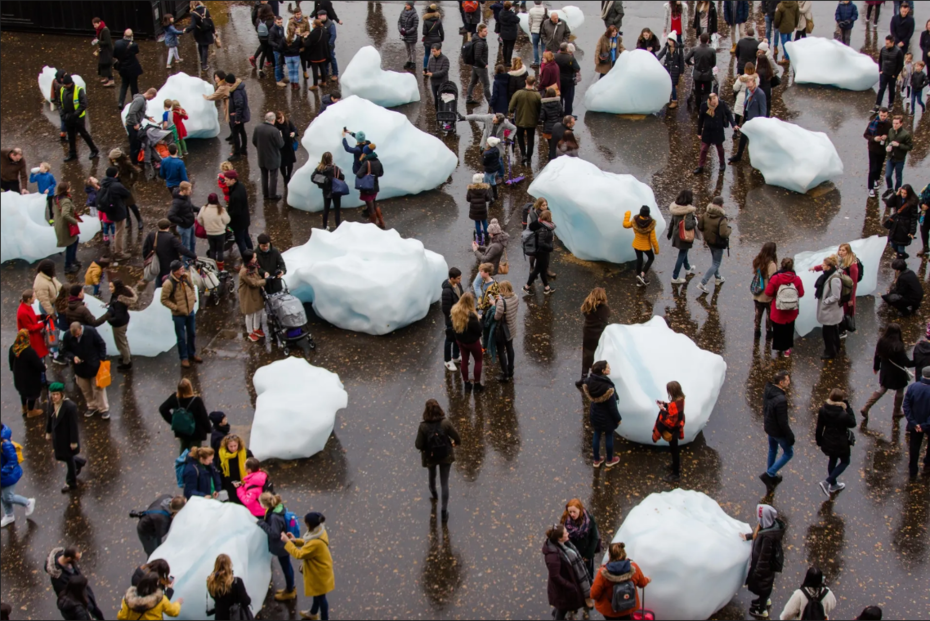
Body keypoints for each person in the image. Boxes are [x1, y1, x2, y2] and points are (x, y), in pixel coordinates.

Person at [281, 512, 335, 620]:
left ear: (309, 524)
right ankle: (313, 612)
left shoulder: (316, 543)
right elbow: (307, 542)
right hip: (320, 571)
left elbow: (299, 554)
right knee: (318, 594)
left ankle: (324, 618)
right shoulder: (319, 531)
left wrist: (287, 542)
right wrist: (295, 541)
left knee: (321, 598)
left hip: (319, 574)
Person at [415, 399, 461, 522]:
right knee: (444, 482)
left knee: (432, 474)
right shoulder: (445, 423)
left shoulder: (423, 426)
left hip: (430, 456)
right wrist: (455, 443)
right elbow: (457, 437)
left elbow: (418, 445)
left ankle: (434, 492)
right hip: (445, 455)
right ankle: (444, 511)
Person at [862, 323, 916, 422]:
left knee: (882, 389)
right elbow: (906, 363)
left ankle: (866, 407)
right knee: (900, 391)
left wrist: (876, 367)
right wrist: (917, 362)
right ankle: (897, 411)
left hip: (886, 371)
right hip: (898, 373)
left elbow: (877, 355)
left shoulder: (881, 342)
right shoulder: (899, 346)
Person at [742, 505, 786, 619]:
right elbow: (757, 535)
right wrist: (748, 537)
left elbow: (764, 557)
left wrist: (758, 572)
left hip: (764, 569)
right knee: (765, 586)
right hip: (766, 568)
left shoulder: (768, 538)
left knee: (763, 586)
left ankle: (761, 610)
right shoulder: (768, 527)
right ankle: (764, 600)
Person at [813, 388, 858, 498]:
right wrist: (849, 408)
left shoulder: (823, 409)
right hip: (841, 443)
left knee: (832, 460)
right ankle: (827, 482)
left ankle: (834, 485)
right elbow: (853, 423)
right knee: (845, 461)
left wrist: (819, 441)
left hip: (827, 440)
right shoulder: (843, 414)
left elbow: (819, 427)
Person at [590, 542, 651, 620]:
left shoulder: (603, 572)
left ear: (609, 555)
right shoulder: (634, 567)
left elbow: (594, 594)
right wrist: (648, 579)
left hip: (610, 611)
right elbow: (642, 583)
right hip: (628, 608)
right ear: (624, 554)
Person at [61, 322, 109, 420]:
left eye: (78, 334)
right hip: (80, 368)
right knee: (85, 389)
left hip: (94, 365)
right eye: (74, 335)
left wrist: (101, 359)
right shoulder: (67, 336)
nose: (76, 336)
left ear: (80, 329)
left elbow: (101, 344)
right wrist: (73, 357)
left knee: (98, 388)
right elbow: (65, 350)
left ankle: (103, 409)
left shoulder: (91, 331)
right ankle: (92, 406)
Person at [542, 524, 590, 621]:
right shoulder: (553, 556)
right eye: (565, 533)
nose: (568, 533)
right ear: (560, 538)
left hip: (568, 584)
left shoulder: (565, 545)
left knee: (561, 607)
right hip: (563, 590)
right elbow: (555, 576)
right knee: (562, 608)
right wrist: (570, 586)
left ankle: (555, 613)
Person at [45, 384, 87, 492]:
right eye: (53, 394)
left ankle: (71, 482)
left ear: (61, 394)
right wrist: (48, 432)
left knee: (68, 459)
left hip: (67, 438)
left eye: (56, 394)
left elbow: (73, 425)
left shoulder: (70, 407)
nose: (54, 397)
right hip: (58, 437)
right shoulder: (51, 404)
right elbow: (49, 419)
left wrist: (73, 441)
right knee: (62, 456)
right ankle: (79, 461)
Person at [256, 493, 298, 602]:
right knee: (287, 565)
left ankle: (290, 591)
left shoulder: (274, 517)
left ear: (265, 504)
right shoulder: (278, 508)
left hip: (282, 546)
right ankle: (290, 587)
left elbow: (275, 534)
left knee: (286, 567)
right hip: (284, 545)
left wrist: (262, 524)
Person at [160, 262, 200, 368]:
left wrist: (193, 297)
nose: (183, 269)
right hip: (179, 315)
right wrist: (176, 307)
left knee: (192, 334)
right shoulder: (169, 283)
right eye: (181, 268)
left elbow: (192, 287)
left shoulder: (186, 277)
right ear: (175, 271)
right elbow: (164, 299)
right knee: (181, 337)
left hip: (190, 311)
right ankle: (184, 358)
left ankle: (192, 353)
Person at [584, 361, 622, 469]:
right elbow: (612, 407)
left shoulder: (589, 382)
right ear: (603, 371)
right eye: (608, 367)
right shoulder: (608, 387)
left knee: (597, 435)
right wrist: (618, 419)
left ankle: (596, 460)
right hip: (607, 417)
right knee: (609, 436)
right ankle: (610, 460)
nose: (610, 369)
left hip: (595, 414)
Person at [160, 378, 211, 454]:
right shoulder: (196, 400)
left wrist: (173, 421)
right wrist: (209, 429)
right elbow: (203, 417)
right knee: (195, 454)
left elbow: (162, 409)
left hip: (182, 431)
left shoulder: (175, 398)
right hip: (195, 432)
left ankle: (181, 464)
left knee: (183, 450)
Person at [761, 371, 793, 487]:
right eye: (787, 380)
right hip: (777, 431)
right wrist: (790, 436)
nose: (789, 382)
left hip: (770, 427)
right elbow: (783, 422)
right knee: (789, 453)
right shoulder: (781, 400)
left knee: (772, 449)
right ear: (781, 382)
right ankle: (769, 474)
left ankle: (771, 476)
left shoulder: (768, 390)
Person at [142, 220, 197, 287]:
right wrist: (193, 256)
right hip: (169, 265)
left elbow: (145, 249)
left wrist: (147, 259)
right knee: (169, 282)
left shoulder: (152, 235)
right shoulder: (171, 238)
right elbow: (182, 250)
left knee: (159, 280)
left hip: (156, 263)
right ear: (168, 227)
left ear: (158, 226)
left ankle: (158, 294)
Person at [1, 423, 36, 528]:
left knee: (8, 497)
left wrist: (3, 472)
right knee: (3, 496)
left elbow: (12, 460)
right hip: (3, 475)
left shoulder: (5, 444)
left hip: (8, 475)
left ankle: (27, 502)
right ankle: (9, 515)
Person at [696, 197, 731, 293]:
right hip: (718, 244)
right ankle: (702, 283)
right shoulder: (722, 218)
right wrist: (729, 229)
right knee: (716, 263)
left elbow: (700, 226)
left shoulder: (706, 214)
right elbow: (724, 233)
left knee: (715, 261)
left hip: (709, 241)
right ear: (721, 205)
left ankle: (718, 278)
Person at [653, 381, 686, 482]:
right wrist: (665, 405)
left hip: (672, 431)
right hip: (677, 430)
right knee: (674, 450)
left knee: (674, 451)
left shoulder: (674, 405)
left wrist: (662, 409)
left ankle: (676, 474)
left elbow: (670, 420)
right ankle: (675, 467)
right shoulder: (681, 400)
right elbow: (673, 410)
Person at [8, 330, 46, 418]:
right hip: (30, 379)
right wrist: (44, 368)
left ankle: (24, 407)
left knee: (23, 393)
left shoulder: (13, 348)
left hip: (18, 377)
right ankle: (31, 411)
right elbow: (38, 365)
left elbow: (11, 362)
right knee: (32, 394)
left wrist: (13, 370)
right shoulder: (29, 351)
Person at [561, 499, 600, 583]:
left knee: (587, 579)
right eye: (570, 512)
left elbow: (594, 537)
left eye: (574, 512)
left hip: (586, 557)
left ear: (580, 509)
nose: (572, 514)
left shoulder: (589, 519)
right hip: (573, 558)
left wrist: (588, 555)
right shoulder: (566, 521)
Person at [730, 76, 768, 162]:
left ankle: (758, 160)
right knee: (743, 138)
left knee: (754, 141)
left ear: (755, 83)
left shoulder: (760, 94)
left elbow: (763, 111)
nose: (750, 89)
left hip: (755, 122)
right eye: (748, 86)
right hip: (747, 118)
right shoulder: (748, 91)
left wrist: (761, 123)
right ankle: (738, 156)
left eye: (751, 87)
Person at [694, 92, 733, 175]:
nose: (715, 103)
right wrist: (699, 132)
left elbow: (728, 113)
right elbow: (701, 119)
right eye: (713, 101)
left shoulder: (721, 104)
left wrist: (734, 124)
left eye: (716, 100)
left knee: (720, 148)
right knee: (704, 149)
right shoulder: (704, 106)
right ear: (709, 100)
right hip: (708, 131)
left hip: (718, 130)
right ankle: (700, 166)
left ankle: (722, 163)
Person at [815, 255, 844, 360]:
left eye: (824, 265)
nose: (822, 266)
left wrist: (825, 301)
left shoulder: (834, 279)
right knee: (833, 330)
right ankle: (836, 347)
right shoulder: (830, 275)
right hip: (830, 311)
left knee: (828, 333)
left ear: (829, 266)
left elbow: (836, 296)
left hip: (830, 311)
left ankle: (830, 352)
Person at [206, 554, 252, 620]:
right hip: (235, 617)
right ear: (229, 566)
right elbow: (246, 601)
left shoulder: (211, 583)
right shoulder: (236, 582)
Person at [108, 148, 144, 231]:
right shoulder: (113, 164)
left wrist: (131, 182)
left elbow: (135, 172)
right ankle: (128, 220)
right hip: (118, 186)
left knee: (132, 205)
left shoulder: (126, 163)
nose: (111, 160)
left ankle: (139, 220)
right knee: (124, 205)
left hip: (126, 187)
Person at [623, 206, 660, 286]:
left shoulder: (635, 221)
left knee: (639, 260)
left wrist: (627, 215)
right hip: (646, 246)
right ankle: (642, 274)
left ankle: (639, 281)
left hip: (636, 244)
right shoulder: (651, 224)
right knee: (651, 258)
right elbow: (653, 239)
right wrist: (656, 249)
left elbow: (625, 225)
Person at [509, 76, 541, 167]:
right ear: (534, 83)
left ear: (525, 81)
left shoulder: (518, 93)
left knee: (520, 137)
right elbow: (540, 109)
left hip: (520, 120)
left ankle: (523, 154)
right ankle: (529, 158)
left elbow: (511, 108)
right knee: (530, 139)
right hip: (532, 121)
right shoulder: (537, 95)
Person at [667, 190, 697, 285]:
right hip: (684, 235)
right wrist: (695, 222)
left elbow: (672, 222)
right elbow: (688, 225)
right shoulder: (688, 211)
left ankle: (688, 268)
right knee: (682, 253)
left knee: (684, 251)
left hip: (676, 234)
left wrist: (669, 233)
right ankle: (675, 277)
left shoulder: (675, 208)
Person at [904, 366, 930, 478]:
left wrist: (914, 423)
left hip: (915, 425)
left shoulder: (912, 387)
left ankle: (913, 471)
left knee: (914, 447)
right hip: (928, 425)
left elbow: (906, 406)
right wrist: (924, 425)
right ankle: (928, 465)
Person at [524, 210, 556, 294]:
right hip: (542, 252)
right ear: (548, 218)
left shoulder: (545, 226)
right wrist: (550, 247)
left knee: (542, 270)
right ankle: (526, 287)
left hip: (543, 252)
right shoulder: (544, 229)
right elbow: (541, 243)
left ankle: (547, 287)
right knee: (537, 270)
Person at [52, 182, 81, 274]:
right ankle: (68, 266)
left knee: (75, 240)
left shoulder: (57, 198)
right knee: (70, 244)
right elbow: (65, 214)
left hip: (60, 225)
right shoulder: (65, 201)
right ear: (66, 190)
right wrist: (74, 221)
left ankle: (73, 259)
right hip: (65, 227)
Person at [238, 251, 267, 342]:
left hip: (255, 293)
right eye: (254, 258)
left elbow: (257, 277)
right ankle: (250, 332)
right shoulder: (244, 272)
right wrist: (265, 281)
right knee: (249, 313)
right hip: (248, 295)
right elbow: (253, 283)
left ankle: (256, 328)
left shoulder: (253, 267)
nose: (256, 259)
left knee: (259, 310)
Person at [124, 88, 158, 165]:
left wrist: (147, 117)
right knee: (134, 144)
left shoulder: (143, 100)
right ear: (150, 94)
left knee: (138, 142)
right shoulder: (140, 100)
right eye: (152, 97)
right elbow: (132, 112)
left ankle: (136, 160)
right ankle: (134, 162)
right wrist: (136, 123)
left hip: (135, 124)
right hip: (132, 125)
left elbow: (139, 112)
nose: (151, 99)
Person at [198, 194, 231, 271]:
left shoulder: (204, 209)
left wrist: (205, 225)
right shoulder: (221, 209)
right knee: (220, 250)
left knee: (212, 249)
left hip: (209, 233)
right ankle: (220, 268)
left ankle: (212, 267)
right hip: (220, 233)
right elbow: (227, 220)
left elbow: (199, 220)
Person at [864, 107, 893, 198]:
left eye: (884, 116)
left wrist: (887, 137)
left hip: (882, 149)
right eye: (881, 115)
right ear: (878, 114)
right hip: (873, 149)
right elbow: (866, 134)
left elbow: (892, 135)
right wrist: (874, 138)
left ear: (887, 115)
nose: (883, 117)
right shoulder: (872, 123)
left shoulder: (889, 124)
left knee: (880, 166)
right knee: (872, 168)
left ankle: (876, 179)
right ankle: (870, 188)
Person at [884, 185, 919, 259]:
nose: (903, 195)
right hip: (896, 224)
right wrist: (895, 195)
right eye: (902, 192)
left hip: (905, 227)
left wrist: (912, 231)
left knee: (900, 246)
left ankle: (901, 259)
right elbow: (889, 204)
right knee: (893, 244)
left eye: (905, 193)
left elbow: (913, 218)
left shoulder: (912, 203)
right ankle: (901, 255)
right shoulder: (898, 197)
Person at [752, 243, 778, 339]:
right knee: (769, 314)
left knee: (758, 313)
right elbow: (773, 279)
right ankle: (768, 332)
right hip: (767, 294)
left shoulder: (757, 260)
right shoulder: (771, 264)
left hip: (757, 292)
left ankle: (757, 331)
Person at [224, 172, 253, 259]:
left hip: (238, 223)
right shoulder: (240, 186)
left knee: (240, 240)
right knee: (246, 236)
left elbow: (236, 211)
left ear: (233, 180)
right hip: (245, 219)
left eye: (226, 180)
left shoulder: (235, 194)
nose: (225, 182)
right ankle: (252, 253)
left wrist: (226, 215)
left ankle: (246, 258)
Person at [314, 152, 345, 231]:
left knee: (326, 209)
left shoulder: (320, 168)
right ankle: (338, 227)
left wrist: (324, 181)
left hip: (326, 191)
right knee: (337, 210)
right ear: (331, 159)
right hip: (336, 191)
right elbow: (342, 177)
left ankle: (324, 227)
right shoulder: (335, 168)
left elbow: (312, 178)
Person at [883, 116, 913, 196]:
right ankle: (890, 189)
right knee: (888, 175)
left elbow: (910, 147)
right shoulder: (890, 131)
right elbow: (888, 141)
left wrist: (899, 145)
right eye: (893, 123)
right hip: (890, 157)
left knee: (898, 177)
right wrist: (887, 146)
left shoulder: (905, 134)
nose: (894, 125)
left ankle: (897, 192)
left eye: (897, 123)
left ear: (901, 124)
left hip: (899, 159)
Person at [217, 435, 251, 504]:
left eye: (235, 446)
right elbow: (221, 470)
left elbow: (252, 466)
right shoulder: (222, 454)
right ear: (227, 446)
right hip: (230, 483)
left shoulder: (246, 452)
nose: (233, 448)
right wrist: (232, 481)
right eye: (231, 446)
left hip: (244, 482)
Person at [113, 29, 143, 108]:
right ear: (132, 36)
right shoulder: (134, 45)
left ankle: (120, 102)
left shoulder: (117, 43)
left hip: (123, 68)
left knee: (124, 85)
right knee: (134, 87)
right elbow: (136, 52)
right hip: (133, 69)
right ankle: (135, 103)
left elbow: (114, 54)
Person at [686, 33, 717, 108]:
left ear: (700, 40)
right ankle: (705, 106)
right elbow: (713, 63)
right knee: (707, 92)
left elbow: (686, 58)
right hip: (707, 74)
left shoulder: (695, 49)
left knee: (698, 92)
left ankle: (698, 107)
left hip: (697, 74)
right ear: (708, 40)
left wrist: (691, 63)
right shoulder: (712, 51)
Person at [465, 24, 491, 105]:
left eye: (486, 31)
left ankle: (468, 98)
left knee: (472, 82)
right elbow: (477, 57)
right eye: (485, 31)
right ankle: (490, 102)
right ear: (480, 32)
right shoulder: (479, 43)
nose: (487, 32)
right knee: (486, 84)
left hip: (475, 66)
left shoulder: (477, 39)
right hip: (480, 67)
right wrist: (484, 65)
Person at [877, 36, 905, 109]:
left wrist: (895, 74)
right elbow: (880, 60)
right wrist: (880, 70)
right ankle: (877, 104)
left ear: (892, 43)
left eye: (888, 43)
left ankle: (890, 104)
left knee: (891, 89)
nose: (886, 44)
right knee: (881, 89)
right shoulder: (883, 49)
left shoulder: (898, 51)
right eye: (886, 43)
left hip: (892, 74)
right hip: (884, 73)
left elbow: (900, 64)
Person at [554, 43, 581, 117]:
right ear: (567, 49)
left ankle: (560, 114)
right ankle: (568, 115)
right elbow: (577, 68)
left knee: (560, 98)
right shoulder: (570, 58)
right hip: (569, 81)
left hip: (558, 81)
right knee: (568, 99)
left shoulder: (555, 56)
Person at [467, 173, 493, 245]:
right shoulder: (484, 189)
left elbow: (468, 199)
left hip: (474, 210)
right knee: (484, 222)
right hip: (482, 209)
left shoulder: (470, 190)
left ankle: (479, 237)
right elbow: (488, 198)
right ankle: (486, 236)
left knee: (477, 223)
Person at [657, 34, 683, 106]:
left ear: (673, 41)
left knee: (673, 85)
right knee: (667, 83)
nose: (669, 41)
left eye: (670, 40)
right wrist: (655, 59)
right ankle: (668, 97)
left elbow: (681, 60)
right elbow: (660, 54)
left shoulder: (678, 49)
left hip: (675, 69)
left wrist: (681, 71)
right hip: (667, 68)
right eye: (668, 40)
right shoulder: (666, 48)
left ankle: (674, 100)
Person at [275, 111, 299, 185]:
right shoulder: (275, 126)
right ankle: (285, 177)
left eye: (281, 118)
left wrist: (294, 133)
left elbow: (295, 129)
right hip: (281, 147)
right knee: (282, 164)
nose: (280, 120)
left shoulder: (288, 122)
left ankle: (288, 176)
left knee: (290, 163)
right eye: (278, 119)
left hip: (289, 146)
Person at [91, 17, 115, 87]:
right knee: (103, 64)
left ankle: (111, 80)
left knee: (107, 64)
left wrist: (98, 42)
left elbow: (107, 42)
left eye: (95, 25)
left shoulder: (105, 30)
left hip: (107, 51)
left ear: (99, 23)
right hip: (103, 50)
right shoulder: (100, 29)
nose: (94, 26)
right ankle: (107, 77)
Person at [426, 44, 451, 110]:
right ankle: (437, 113)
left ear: (439, 50)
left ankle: (444, 113)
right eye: (432, 51)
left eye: (434, 51)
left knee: (443, 99)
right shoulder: (431, 60)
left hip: (442, 83)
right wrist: (426, 72)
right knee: (436, 99)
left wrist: (433, 74)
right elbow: (428, 68)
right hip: (434, 83)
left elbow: (444, 71)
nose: (433, 53)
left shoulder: (445, 59)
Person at [421, 6, 444, 74]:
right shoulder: (438, 20)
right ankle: (437, 70)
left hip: (428, 40)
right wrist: (441, 39)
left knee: (426, 55)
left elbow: (424, 32)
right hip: (437, 40)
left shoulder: (425, 21)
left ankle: (425, 69)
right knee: (437, 55)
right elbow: (441, 32)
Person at [398, 2, 419, 70]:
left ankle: (413, 62)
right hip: (405, 35)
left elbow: (414, 27)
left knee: (413, 49)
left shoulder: (415, 15)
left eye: (407, 5)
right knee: (407, 49)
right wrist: (400, 30)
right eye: (406, 4)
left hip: (412, 35)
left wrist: (406, 32)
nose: (406, 6)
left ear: (411, 6)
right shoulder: (403, 12)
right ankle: (409, 61)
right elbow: (399, 22)